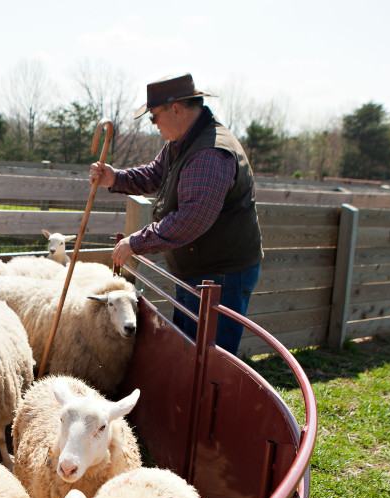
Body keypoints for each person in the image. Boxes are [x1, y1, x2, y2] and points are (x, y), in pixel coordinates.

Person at [90, 73, 263, 355]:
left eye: (154, 117)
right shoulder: (182, 142)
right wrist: (116, 178)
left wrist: (136, 243)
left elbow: (190, 220)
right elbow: (155, 174)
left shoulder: (209, 152)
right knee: (189, 351)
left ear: (176, 109)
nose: (154, 124)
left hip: (221, 275)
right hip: (199, 268)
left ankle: (209, 400)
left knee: (209, 359)